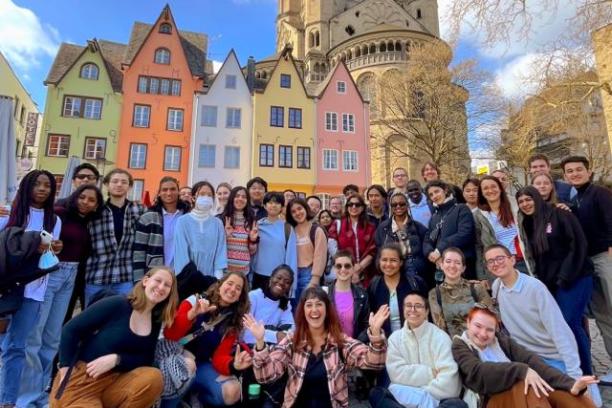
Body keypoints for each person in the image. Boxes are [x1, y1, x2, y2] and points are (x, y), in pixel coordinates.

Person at [18, 184, 104, 407]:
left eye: (91, 200)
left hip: (71, 276)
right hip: (52, 273)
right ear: (75, 196)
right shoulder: (58, 213)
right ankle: (26, 397)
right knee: (35, 335)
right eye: (82, 197)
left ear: (96, 205)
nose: (86, 202)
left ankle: (42, 394)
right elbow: (33, 228)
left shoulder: (88, 222)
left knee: (53, 337)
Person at [50, 267, 178, 408]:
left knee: (154, 377)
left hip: (115, 382)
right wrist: (65, 370)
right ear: (146, 281)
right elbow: (71, 330)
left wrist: (116, 359)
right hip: (83, 380)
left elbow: (145, 359)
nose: (161, 287)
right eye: (158, 280)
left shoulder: (155, 321)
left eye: (167, 285)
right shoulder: (118, 304)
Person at [245, 286, 390, 408]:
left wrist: (376, 334)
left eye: (319, 304)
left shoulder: (340, 341)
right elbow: (265, 376)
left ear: (327, 310)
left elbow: (373, 362)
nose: (314, 310)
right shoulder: (292, 341)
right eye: (309, 305)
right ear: (303, 311)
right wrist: (260, 342)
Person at [0, 170, 63, 408]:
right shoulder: (10, 213)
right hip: (6, 287)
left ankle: (7, 402)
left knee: (17, 347)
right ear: (26, 186)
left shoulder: (54, 220)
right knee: (8, 347)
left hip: (33, 290)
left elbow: (48, 258)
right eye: (37, 184)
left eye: (47, 185)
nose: (43, 188)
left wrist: (53, 249)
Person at [452, 305, 597, 408]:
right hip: (491, 400)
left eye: (489, 329)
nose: (483, 334)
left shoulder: (500, 340)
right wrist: (522, 371)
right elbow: (477, 372)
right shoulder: (460, 344)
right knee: (526, 385)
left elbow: (532, 362)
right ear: (468, 323)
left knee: (569, 397)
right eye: (478, 326)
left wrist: (570, 384)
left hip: (520, 395)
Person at [516, 186, 594, 375]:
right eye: (521, 202)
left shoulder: (559, 214)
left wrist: (564, 276)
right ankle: (572, 368)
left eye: (529, 199)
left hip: (576, 276)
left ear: (537, 198)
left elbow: (578, 244)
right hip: (554, 284)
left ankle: (585, 371)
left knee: (570, 322)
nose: (525, 204)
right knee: (561, 325)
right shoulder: (528, 224)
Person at [486, 244, 582, 379]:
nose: (496, 263)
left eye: (500, 258)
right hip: (525, 359)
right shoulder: (496, 287)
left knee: (578, 395)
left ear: (512, 260)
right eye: (490, 261)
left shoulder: (535, 288)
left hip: (551, 359)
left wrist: (574, 372)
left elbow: (559, 330)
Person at [163, 271, 250, 407]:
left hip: (202, 365)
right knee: (188, 365)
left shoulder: (232, 321)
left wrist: (234, 365)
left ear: (240, 296)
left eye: (238, 288)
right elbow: (171, 334)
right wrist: (191, 315)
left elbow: (219, 357)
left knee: (233, 390)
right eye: (230, 283)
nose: (233, 289)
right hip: (175, 357)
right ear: (220, 284)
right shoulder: (195, 301)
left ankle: (197, 399)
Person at [562, 155, 612, 369]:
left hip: (605, 258)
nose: (575, 173)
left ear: (588, 172)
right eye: (570, 171)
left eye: (579, 169)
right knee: (603, 316)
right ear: (565, 176)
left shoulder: (601, 194)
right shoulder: (575, 200)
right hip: (589, 263)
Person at [386, 291, 466, 408]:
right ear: (403, 310)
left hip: (437, 400)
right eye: (408, 305)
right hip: (406, 397)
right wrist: (429, 373)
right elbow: (396, 374)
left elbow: (450, 384)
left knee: (457, 404)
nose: (412, 309)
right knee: (378, 394)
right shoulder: (395, 339)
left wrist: (422, 394)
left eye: (418, 306)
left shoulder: (440, 337)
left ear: (427, 311)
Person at [85, 168, 145, 306]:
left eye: (124, 182)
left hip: (125, 277)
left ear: (129, 187)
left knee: (122, 318)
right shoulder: (95, 210)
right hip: (97, 275)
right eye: (115, 181)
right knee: (91, 320)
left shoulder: (139, 210)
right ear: (106, 184)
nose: (119, 185)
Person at [173, 181, 227, 299]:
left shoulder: (217, 223)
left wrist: (217, 278)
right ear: (193, 197)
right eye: (202, 194)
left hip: (211, 280)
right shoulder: (183, 221)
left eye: (209, 195)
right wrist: (194, 278)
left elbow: (220, 251)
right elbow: (181, 254)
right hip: (188, 278)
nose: (206, 197)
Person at [428, 247, 492, 338]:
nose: (452, 266)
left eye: (457, 263)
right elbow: (440, 329)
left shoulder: (476, 288)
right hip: (455, 345)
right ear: (441, 265)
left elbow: (492, 318)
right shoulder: (434, 294)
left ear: (463, 268)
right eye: (448, 261)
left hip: (482, 340)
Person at [473, 175, 528, 279]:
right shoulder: (478, 215)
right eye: (485, 188)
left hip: (521, 260)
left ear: (500, 188)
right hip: (497, 264)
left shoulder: (515, 205)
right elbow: (479, 247)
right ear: (481, 193)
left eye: (493, 186)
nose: (490, 190)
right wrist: (482, 276)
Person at [133, 177, 187, 281]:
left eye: (172, 189)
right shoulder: (148, 217)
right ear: (159, 193)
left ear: (178, 191)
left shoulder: (187, 216)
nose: (169, 193)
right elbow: (139, 251)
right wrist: (139, 280)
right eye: (164, 190)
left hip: (182, 274)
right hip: (155, 273)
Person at [367, 243, 425, 338]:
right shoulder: (374, 285)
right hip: (384, 344)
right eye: (384, 260)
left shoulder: (415, 283)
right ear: (379, 261)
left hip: (413, 340)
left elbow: (425, 314)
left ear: (401, 262)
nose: (388, 264)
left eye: (393, 260)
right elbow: (371, 317)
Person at [423, 180, 476, 282]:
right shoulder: (434, 217)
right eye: (431, 194)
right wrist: (430, 253)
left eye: (437, 191)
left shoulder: (461, 208)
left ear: (445, 190)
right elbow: (427, 239)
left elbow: (465, 234)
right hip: (441, 267)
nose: (434, 196)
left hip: (462, 267)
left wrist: (439, 249)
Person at [375, 192, 428, 282]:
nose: (398, 207)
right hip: (390, 269)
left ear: (407, 205)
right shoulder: (382, 227)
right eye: (394, 204)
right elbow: (379, 250)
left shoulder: (418, 227)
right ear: (390, 206)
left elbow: (424, 252)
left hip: (413, 272)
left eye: (402, 204)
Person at [252, 192, 298, 293]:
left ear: (282, 207)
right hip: (258, 276)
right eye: (270, 202)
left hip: (279, 279)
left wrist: (291, 285)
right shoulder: (256, 225)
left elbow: (291, 257)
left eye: (277, 203)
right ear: (264, 205)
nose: (273, 205)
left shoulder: (287, 228)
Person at [328, 194, 377, 285]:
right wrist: (348, 267)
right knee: (344, 298)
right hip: (343, 271)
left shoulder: (370, 227)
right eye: (350, 204)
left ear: (362, 208)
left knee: (363, 298)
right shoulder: (337, 224)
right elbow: (332, 247)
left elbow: (373, 250)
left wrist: (359, 268)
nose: (354, 207)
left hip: (366, 273)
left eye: (357, 205)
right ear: (347, 207)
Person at [286, 199, 328, 303]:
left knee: (307, 307)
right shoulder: (290, 230)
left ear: (306, 208)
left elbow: (320, 256)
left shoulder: (316, 230)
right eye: (293, 211)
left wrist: (315, 279)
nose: (297, 213)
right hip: (293, 275)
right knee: (294, 309)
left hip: (309, 274)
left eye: (299, 209)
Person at [244, 265, 295, 346]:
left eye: (287, 282)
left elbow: (290, 329)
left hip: (272, 348)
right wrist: (275, 335)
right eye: (278, 278)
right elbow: (245, 333)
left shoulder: (285, 303)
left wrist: (279, 334)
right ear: (271, 278)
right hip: (249, 346)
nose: (282, 282)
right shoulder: (253, 296)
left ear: (289, 287)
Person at [328, 250, 370, 338]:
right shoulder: (325, 293)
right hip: (332, 348)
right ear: (334, 268)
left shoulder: (362, 294)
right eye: (339, 266)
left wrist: (357, 344)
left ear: (353, 268)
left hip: (355, 348)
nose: (343, 269)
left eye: (347, 266)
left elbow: (366, 324)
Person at [221, 186, 259, 275]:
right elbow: (215, 248)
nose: (240, 199)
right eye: (237, 196)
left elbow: (252, 252)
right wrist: (226, 236)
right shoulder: (222, 219)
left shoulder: (252, 221)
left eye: (244, 197)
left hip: (243, 273)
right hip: (223, 272)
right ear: (231, 198)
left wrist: (253, 240)